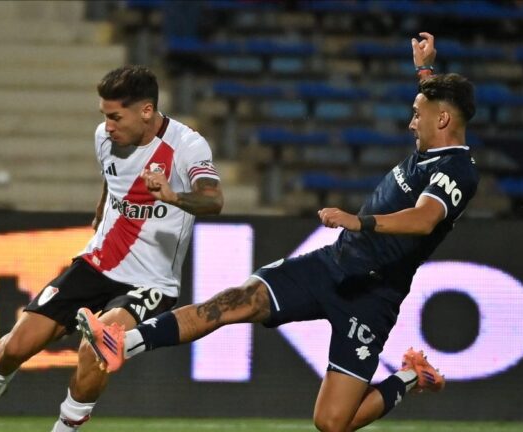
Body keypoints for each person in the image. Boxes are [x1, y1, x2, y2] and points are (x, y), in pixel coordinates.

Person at [78, 33, 478, 432]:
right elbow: (436, 99)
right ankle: (123, 344)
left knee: (332, 423)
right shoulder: (432, 144)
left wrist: (361, 222)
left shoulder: (458, 171)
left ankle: (410, 376)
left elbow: (424, 219)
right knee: (235, 302)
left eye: (417, 113)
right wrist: (424, 68)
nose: (411, 122)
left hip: (373, 297)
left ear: (441, 120)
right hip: (331, 264)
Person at [0, 65, 224, 431]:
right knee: (16, 345)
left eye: (115, 117)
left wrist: (172, 195)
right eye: (104, 116)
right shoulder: (104, 138)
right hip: (96, 263)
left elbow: (213, 199)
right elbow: (112, 181)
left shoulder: (188, 146)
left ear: (146, 111)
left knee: (98, 347)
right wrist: (100, 210)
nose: (108, 126)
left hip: (150, 282)